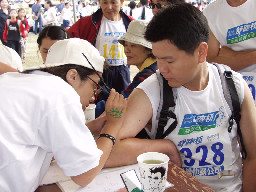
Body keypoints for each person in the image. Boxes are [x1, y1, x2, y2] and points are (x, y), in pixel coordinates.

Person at [105, 3, 256, 191]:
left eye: (169, 60)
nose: (161, 68)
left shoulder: (233, 85)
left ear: (201, 52)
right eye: (157, 58)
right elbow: (107, 150)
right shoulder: (152, 90)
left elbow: (253, 155)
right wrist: (164, 147)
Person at [0, 38, 127, 191]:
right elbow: (84, 174)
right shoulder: (60, 93)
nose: (94, 96)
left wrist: (90, 127)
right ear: (72, 76)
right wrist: (113, 125)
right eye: (94, 85)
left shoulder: (17, 80)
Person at [68, 0, 134, 101]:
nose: (109, 7)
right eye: (105, 3)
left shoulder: (130, 23)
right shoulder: (88, 22)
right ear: (99, 2)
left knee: (122, 102)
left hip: (122, 71)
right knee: (98, 102)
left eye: (113, 2)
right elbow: (69, 38)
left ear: (122, 2)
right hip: (99, 71)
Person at [203, 0, 256, 73]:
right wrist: (251, 57)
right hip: (235, 80)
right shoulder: (210, 13)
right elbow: (211, 65)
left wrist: (234, 56)